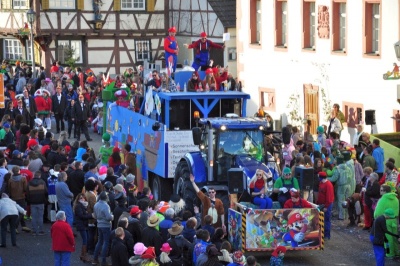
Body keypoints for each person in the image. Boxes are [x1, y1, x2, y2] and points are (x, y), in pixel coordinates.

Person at [373, 185, 399, 258]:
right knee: (395, 237)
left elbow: (378, 212)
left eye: (381, 190)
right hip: (394, 220)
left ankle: (389, 253)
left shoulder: (382, 199)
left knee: (387, 239)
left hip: (385, 221)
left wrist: (376, 218)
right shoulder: (396, 199)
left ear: (385, 191)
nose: (380, 192)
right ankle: (397, 252)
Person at [92, 191, 114, 265]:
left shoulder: (96, 204)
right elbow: (108, 217)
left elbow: (94, 215)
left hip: (99, 225)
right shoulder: (106, 205)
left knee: (100, 241)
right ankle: (103, 261)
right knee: (106, 242)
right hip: (106, 225)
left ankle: (95, 259)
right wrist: (112, 216)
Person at [26, 171, 48, 236]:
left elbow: (27, 193)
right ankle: (41, 230)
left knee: (34, 217)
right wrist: (45, 200)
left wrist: (29, 201)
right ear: (39, 176)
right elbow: (46, 192)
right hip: (41, 201)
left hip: (32, 202)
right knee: (40, 216)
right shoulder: (42, 182)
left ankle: (34, 231)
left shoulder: (29, 183)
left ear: (34, 175)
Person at [73, 192, 93, 263]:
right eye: (81, 198)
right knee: (85, 240)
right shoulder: (79, 206)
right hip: (81, 225)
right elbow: (82, 216)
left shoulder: (82, 206)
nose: (83, 199)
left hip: (83, 225)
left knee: (86, 240)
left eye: (83, 198)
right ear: (78, 199)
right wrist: (91, 215)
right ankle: (84, 256)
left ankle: (83, 255)